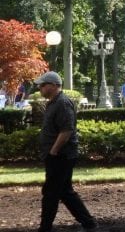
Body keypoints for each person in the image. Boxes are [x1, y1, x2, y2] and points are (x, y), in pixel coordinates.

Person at [34, 71, 97, 232]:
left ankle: (45, 227)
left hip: (61, 155)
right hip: (58, 155)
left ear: (54, 85)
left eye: (43, 85)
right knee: (64, 191)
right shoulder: (53, 102)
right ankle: (89, 223)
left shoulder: (62, 103)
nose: (40, 88)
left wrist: (53, 151)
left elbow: (67, 130)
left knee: (51, 192)